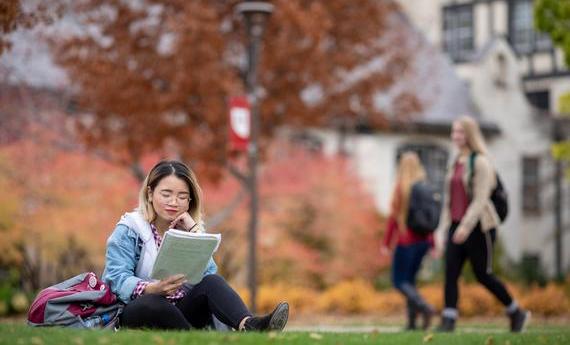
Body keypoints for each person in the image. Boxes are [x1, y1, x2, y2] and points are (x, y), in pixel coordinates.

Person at [102, 160, 289, 331]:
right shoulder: (129, 229)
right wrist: (152, 289)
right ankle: (192, 337)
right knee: (154, 304)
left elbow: (207, 277)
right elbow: (115, 279)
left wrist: (194, 231)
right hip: (139, 307)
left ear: (190, 201)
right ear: (150, 194)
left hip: (183, 307)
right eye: (166, 194)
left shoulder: (191, 229)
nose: (174, 202)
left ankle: (249, 326)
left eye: (182, 197)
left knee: (213, 282)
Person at [435, 116, 530, 332]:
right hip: (456, 225)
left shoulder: (480, 162)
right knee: (450, 272)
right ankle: (448, 320)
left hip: (479, 227)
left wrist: (466, 227)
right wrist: (441, 231)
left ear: (469, 134)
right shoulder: (455, 162)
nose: (455, 136)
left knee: (483, 275)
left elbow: (480, 199)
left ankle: (516, 311)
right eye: (453, 131)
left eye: (459, 132)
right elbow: (449, 201)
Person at [380, 152, 435, 330]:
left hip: (406, 242)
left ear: (401, 166)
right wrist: (432, 243)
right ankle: (411, 323)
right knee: (410, 282)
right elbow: (429, 219)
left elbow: (393, 219)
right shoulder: (424, 187)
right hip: (423, 242)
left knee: (399, 282)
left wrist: (387, 243)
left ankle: (425, 308)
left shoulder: (401, 188)